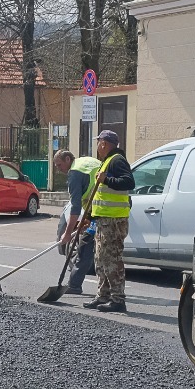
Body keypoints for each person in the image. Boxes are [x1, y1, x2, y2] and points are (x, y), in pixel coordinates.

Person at [81, 129, 134, 312]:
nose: (97, 146)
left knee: (111, 259)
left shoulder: (117, 161)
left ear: (104, 143)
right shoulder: (107, 161)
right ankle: (103, 296)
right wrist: (90, 217)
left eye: (98, 142)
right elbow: (101, 197)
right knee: (101, 259)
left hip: (114, 221)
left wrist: (107, 179)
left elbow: (129, 182)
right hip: (104, 219)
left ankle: (118, 299)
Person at [56, 149, 102, 297]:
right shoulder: (85, 162)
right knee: (87, 245)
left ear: (68, 159)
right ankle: (75, 285)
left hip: (101, 211)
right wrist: (86, 218)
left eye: (59, 165)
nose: (58, 169)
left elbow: (75, 208)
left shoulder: (75, 173)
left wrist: (67, 233)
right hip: (99, 210)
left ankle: (76, 286)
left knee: (86, 246)